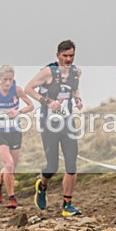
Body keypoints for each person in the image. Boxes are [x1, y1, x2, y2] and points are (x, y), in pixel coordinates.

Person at [25, 40, 84, 217]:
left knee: (71, 164)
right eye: (65, 56)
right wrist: (47, 101)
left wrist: (78, 99)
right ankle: (42, 185)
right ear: (58, 55)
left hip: (68, 122)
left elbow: (74, 89)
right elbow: (28, 88)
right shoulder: (48, 72)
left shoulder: (76, 72)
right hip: (49, 123)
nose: (68, 59)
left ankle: (67, 205)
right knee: (52, 166)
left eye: (71, 56)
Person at [0, 65, 33, 209]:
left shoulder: (17, 90)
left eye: (10, 79)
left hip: (15, 132)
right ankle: (12, 198)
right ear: (0, 78)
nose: (8, 82)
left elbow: (31, 106)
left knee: (11, 168)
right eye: (5, 79)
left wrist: (19, 112)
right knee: (9, 164)